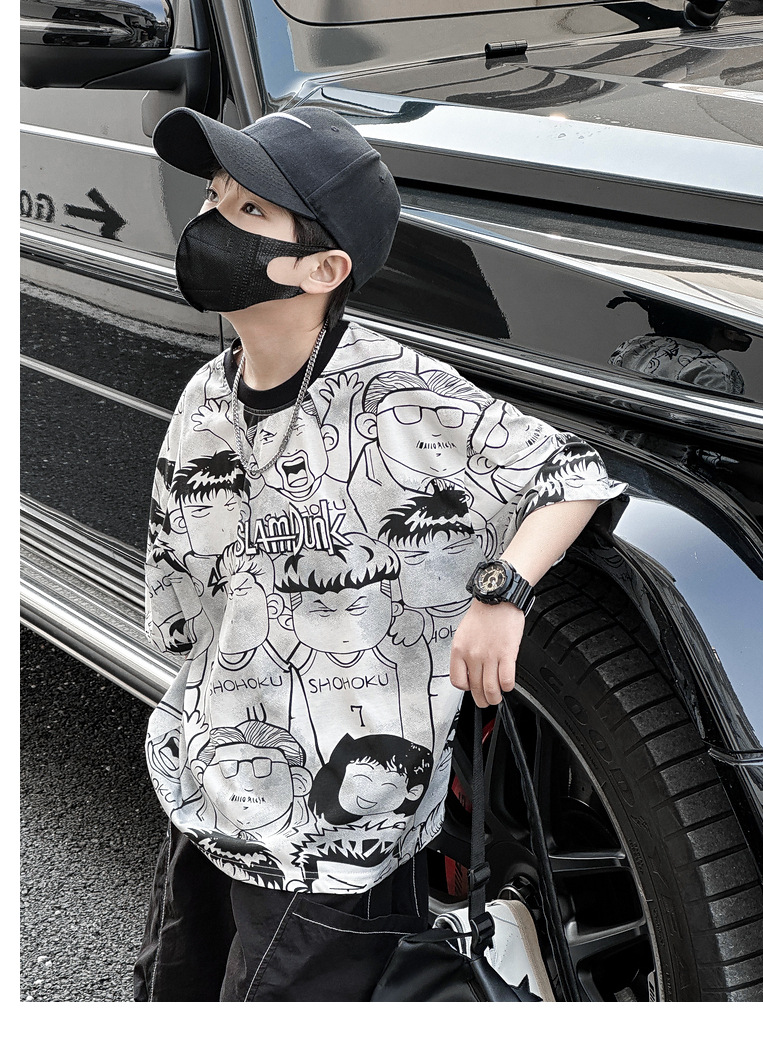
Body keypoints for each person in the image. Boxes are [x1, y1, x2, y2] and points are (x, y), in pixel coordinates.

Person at [134, 105, 627, 1003]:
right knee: (174, 991)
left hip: (339, 831)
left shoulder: (400, 396)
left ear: (324, 269)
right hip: (210, 782)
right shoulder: (207, 393)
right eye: (214, 197)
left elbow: (572, 474)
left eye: (249, 212)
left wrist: (501, 593)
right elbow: (181, 597)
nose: (209, 224)